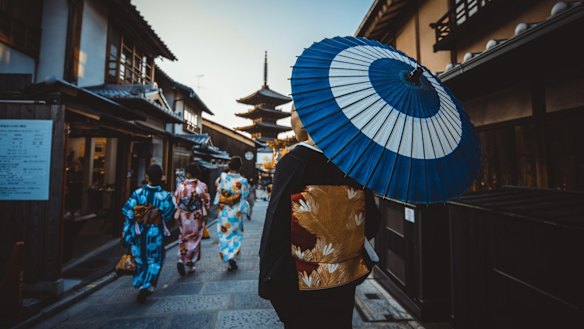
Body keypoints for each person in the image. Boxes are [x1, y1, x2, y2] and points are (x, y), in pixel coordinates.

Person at [258, 106, 380, 329]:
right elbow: (371, 224)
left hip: (302, 283)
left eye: (295, 109)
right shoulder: (353, 165)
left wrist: (269, 280)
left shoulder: (293, 163)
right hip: (343, 280)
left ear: (305, 118)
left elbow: (275, 228)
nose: (291, 115)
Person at [121, 164, 175, 302]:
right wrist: (155, 213)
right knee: (154, 259)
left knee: (139, 258)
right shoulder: (165, 196)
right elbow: (169, 215)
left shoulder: (138, 193)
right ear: (161, 177)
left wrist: (134, 221)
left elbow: (127, 211)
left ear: (147, 177)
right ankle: (148, 284)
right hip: (154, 232)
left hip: (139, 231)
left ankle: (140, 283)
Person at [214, 156, 249, 271]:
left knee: (224, 234)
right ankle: (232, 257)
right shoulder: (242, 181)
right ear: (240, 167)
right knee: (236, 234)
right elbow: (244, 196)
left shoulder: (222, 178)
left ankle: (226, 256)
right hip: (235, 212)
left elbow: (217, 187)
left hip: (224, 211)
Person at [174, 163, 210, 276]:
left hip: (184, 215)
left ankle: (181, 258)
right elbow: (206, 201)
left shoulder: (181, 186)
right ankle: (190, 263)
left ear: (188, 173)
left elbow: (176, 201)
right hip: (196, 215)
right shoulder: (202, 186)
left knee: (183, 237)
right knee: (194, 238)